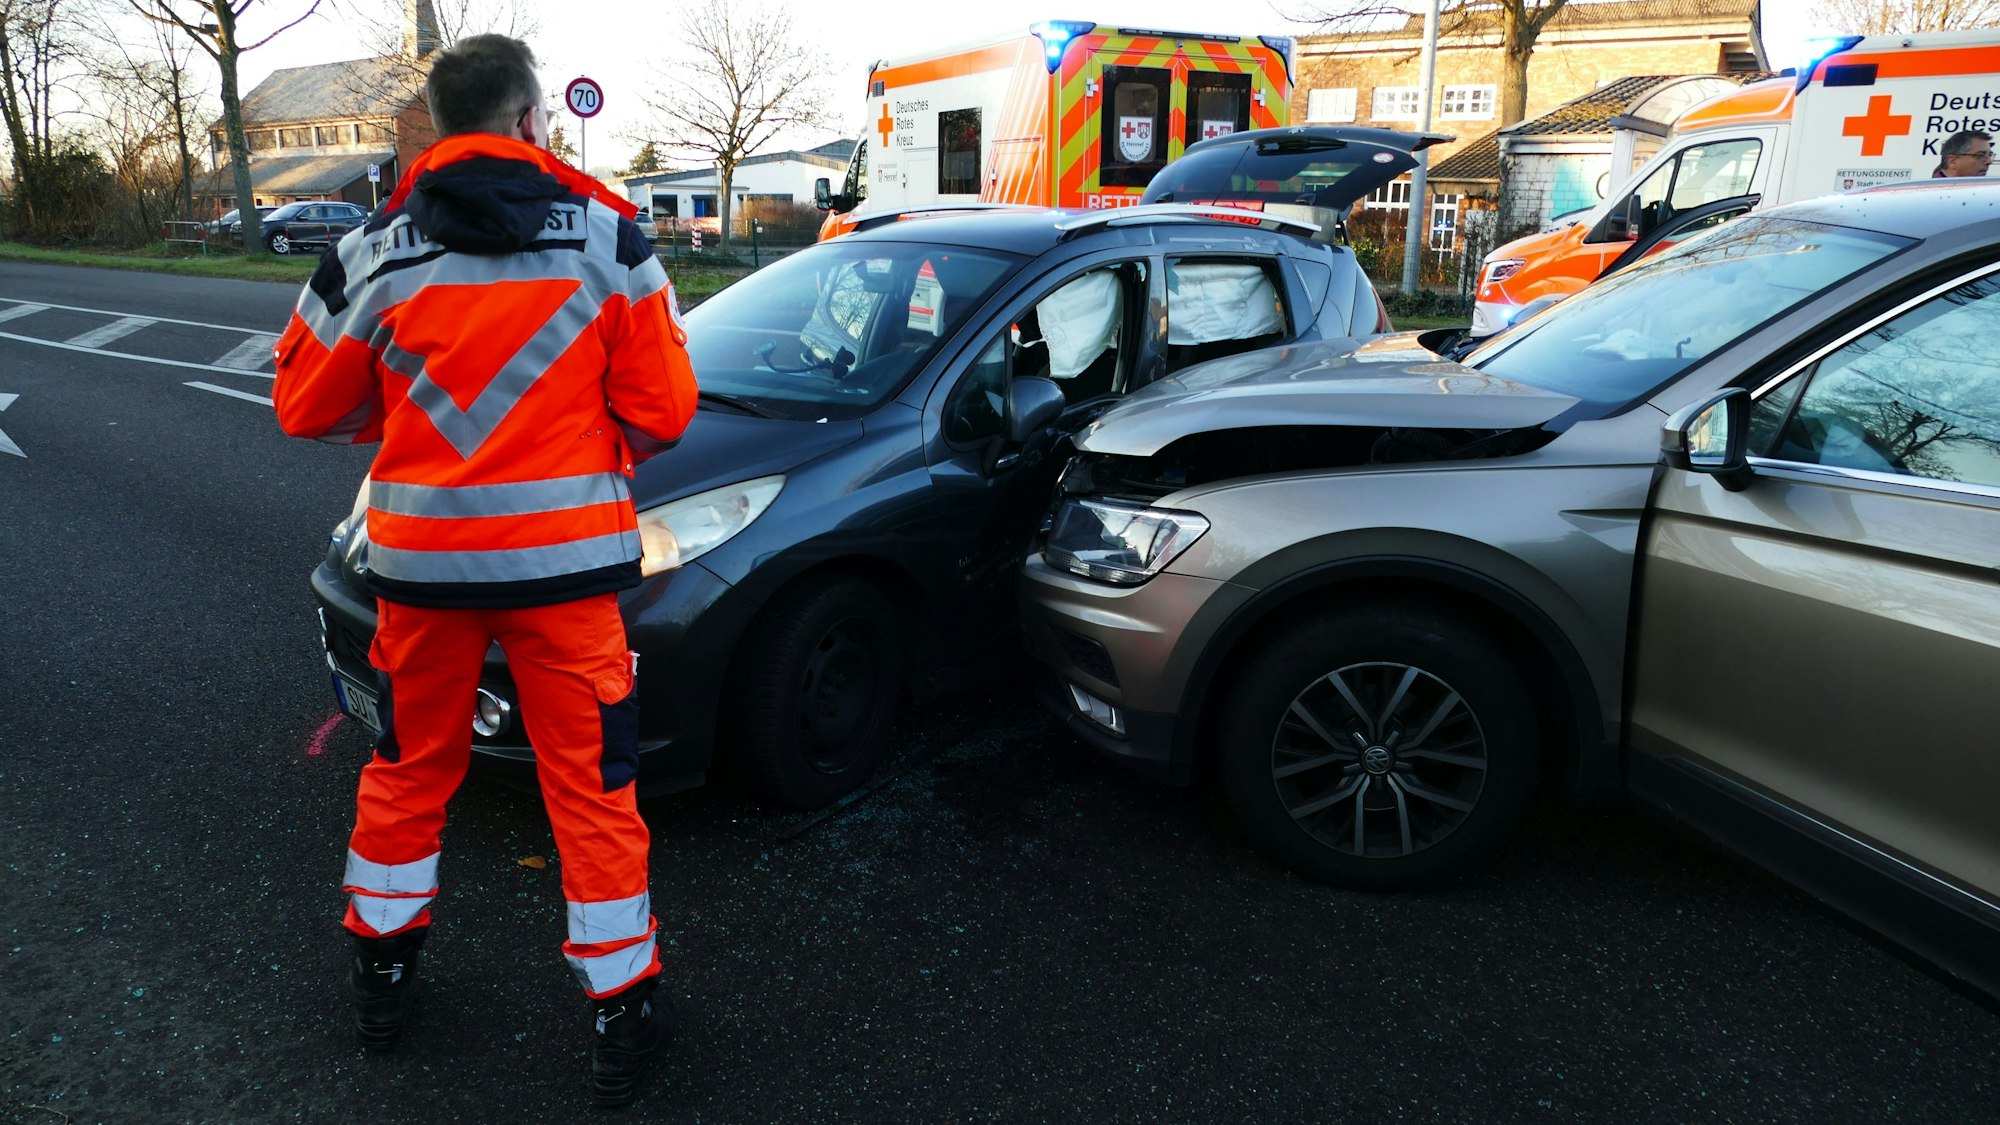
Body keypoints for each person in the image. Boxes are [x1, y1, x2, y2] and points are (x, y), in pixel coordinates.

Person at [271, 33, 697, 1107]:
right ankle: (621, 1012)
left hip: (422, 577)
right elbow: (665, 412)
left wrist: (396, 414)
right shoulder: (609, 237)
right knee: (591, 790)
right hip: (566, 582)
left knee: (408, 771)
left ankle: (381, 978)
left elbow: (302, 404)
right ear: (530, 121)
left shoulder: (371, 248)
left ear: (437, 124)